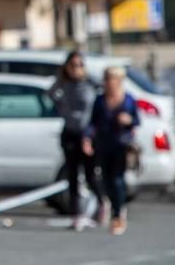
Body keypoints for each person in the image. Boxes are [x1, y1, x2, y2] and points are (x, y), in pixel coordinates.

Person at [48, 51, 103, 231]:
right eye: (72, 65)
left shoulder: (90, 83)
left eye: (80, 65)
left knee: (90, 174)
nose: (76, 69)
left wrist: (91, 134)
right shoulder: (63, 84)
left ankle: (103, 204)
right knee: (72, 176)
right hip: (70, 133)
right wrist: (61, 79)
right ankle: (77, 215)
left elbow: (98, 105)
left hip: (87, 134)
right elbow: (51, 93)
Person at [83, 66, 140, 236]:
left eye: (112, 79)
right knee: (106, 178)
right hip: (103, 144)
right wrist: (87, 138)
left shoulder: (128, 100)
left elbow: (136, 120)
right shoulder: (100, 100)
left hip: (121, 145)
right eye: (107, 79)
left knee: (117, 178)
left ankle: (118, 213)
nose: (109, 82)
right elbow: (93, 123)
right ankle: (112, 206)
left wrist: (128, 120)